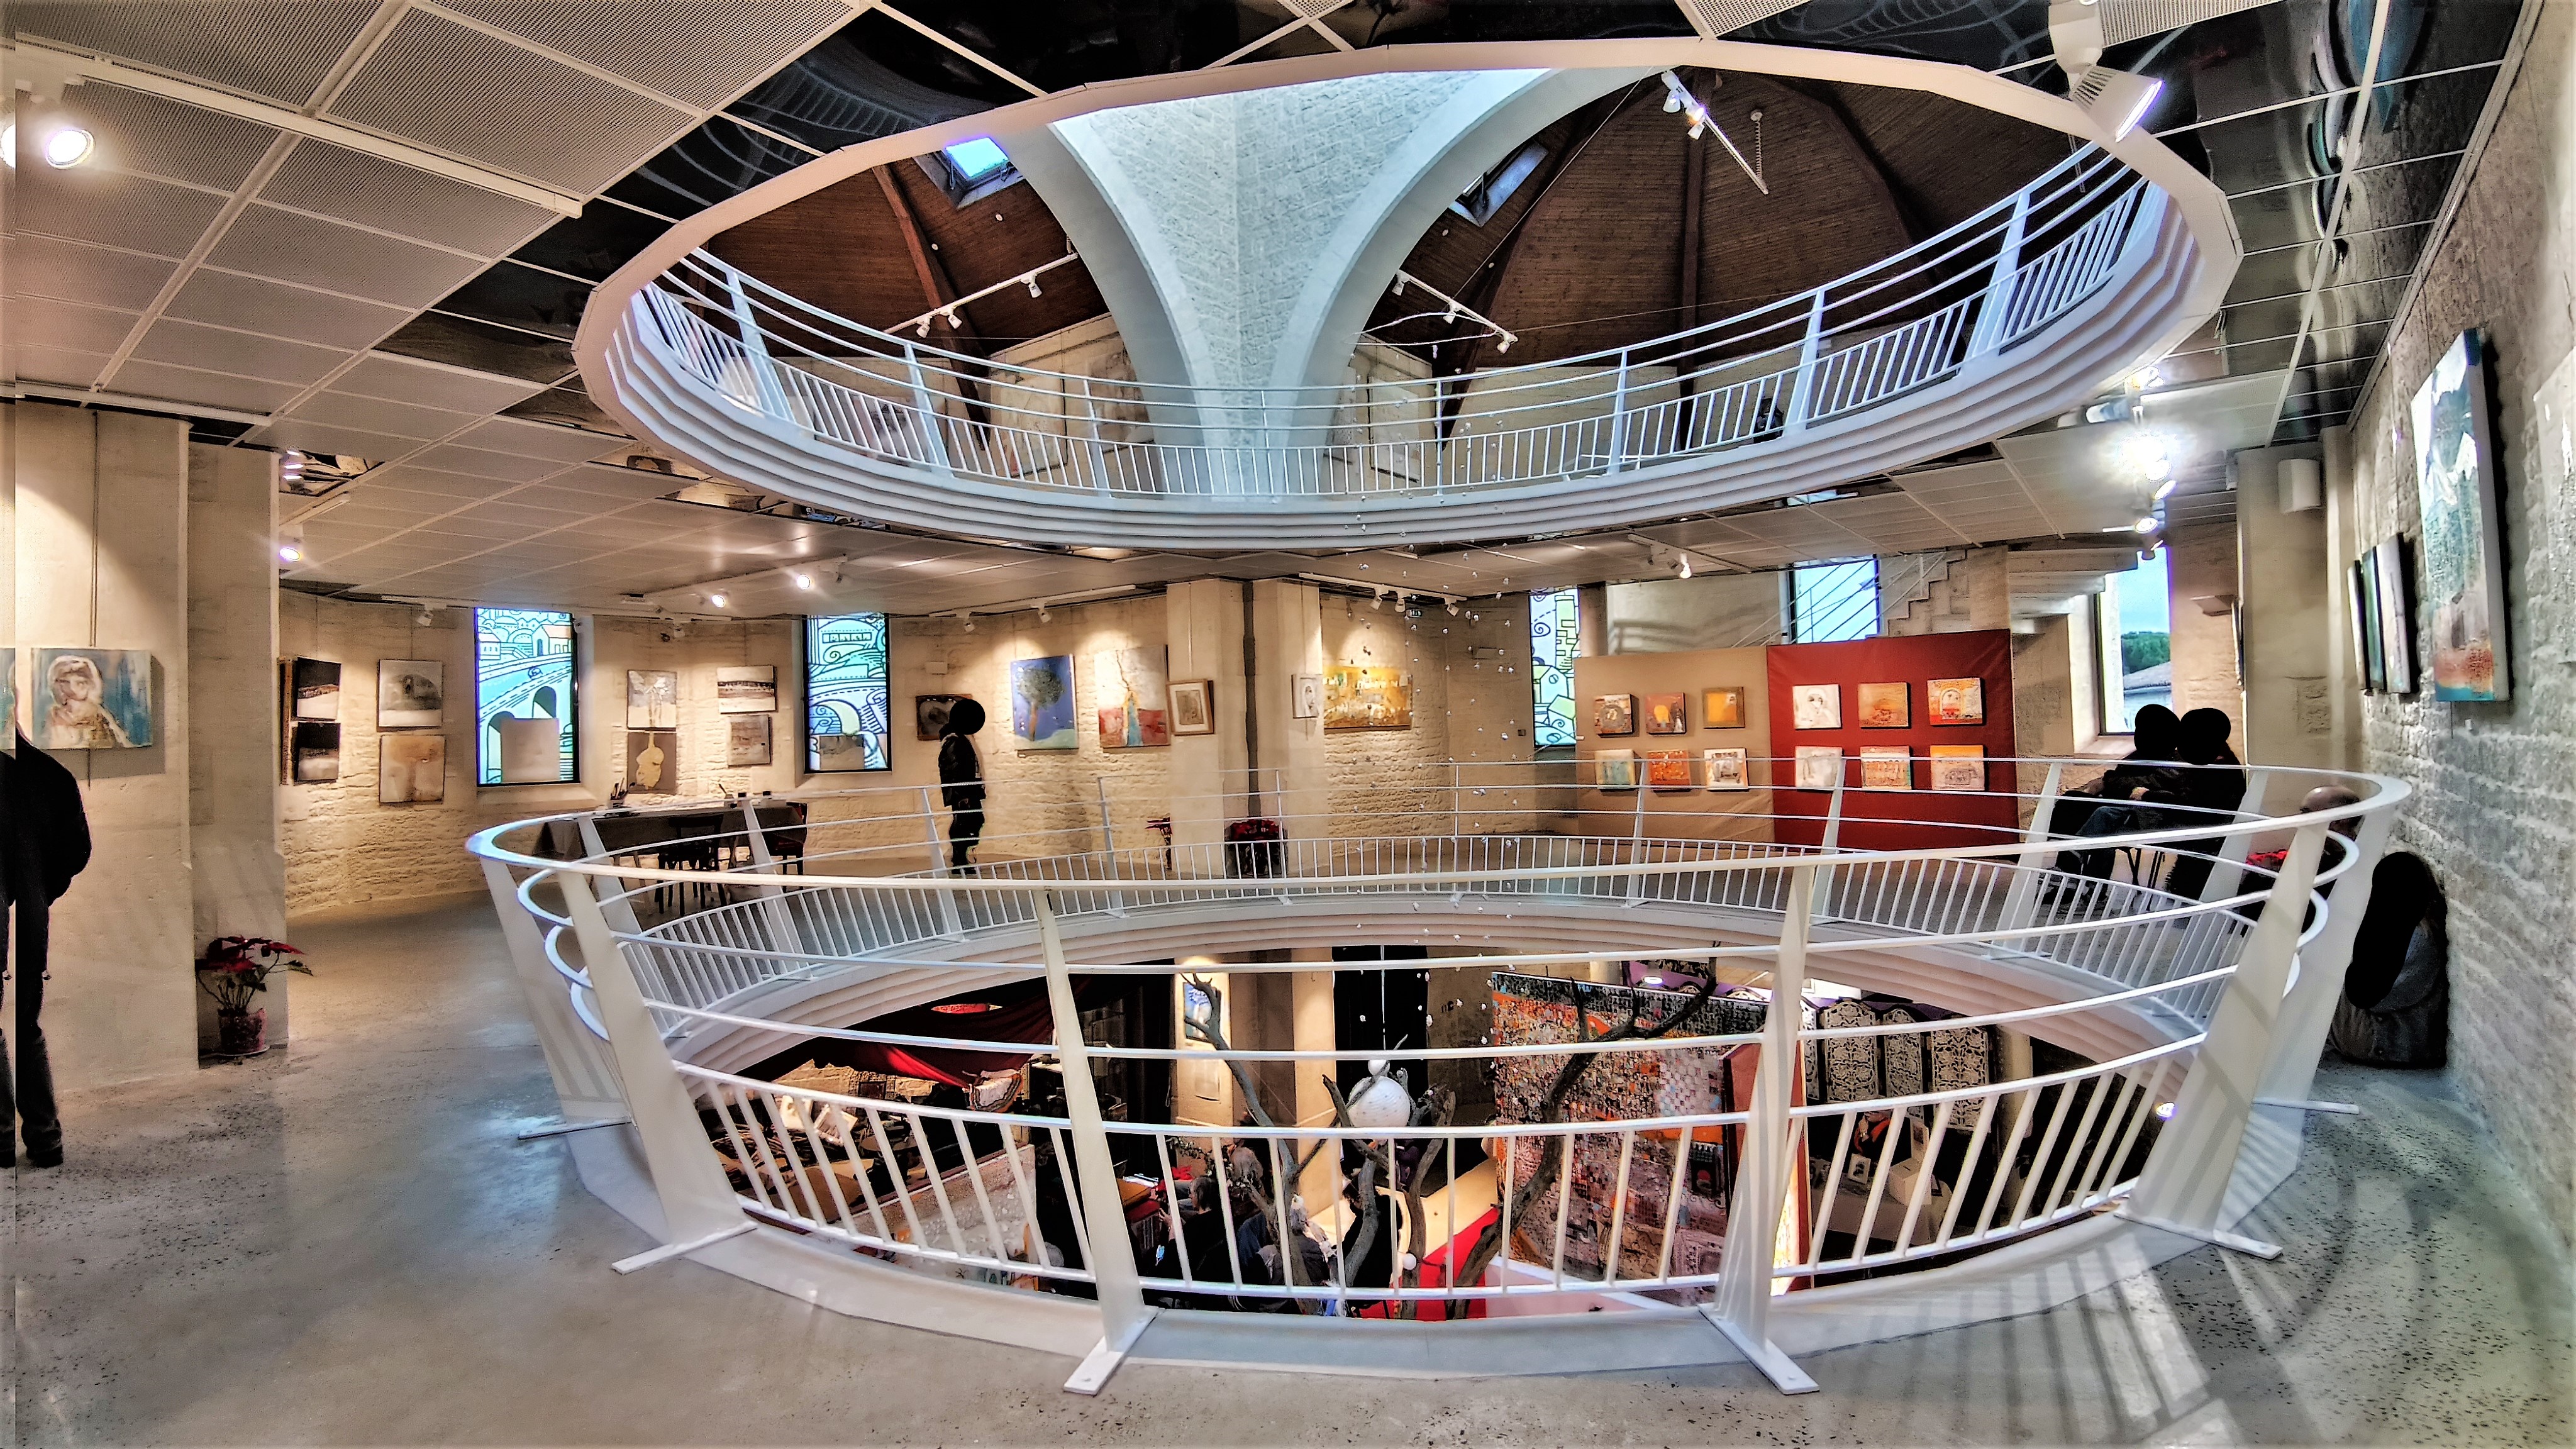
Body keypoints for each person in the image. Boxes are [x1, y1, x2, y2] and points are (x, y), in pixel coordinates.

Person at [1, 734, 92, 1168]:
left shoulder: (47, 775)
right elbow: (76, 850)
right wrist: (39, 890)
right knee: (27, 1024)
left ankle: (5, 1140)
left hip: (26, 906)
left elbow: (76, 850)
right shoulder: (49, 774)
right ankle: (44, 1138)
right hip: (32, 913)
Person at [41, 655, 134, 750]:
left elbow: (121, 744)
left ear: (91, 684)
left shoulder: (99, 714)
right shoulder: (55, 717)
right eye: (65, 682)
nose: (72, 688)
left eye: (80, 683)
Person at [936, 699, 986, 870]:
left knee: (973, 820)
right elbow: (954, 768)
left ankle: (961, 856)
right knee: (965, 822)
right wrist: (962, 794)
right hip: (964, 791)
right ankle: (959, 859)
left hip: (969, 789)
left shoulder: (961, 739)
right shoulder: (955, 741)